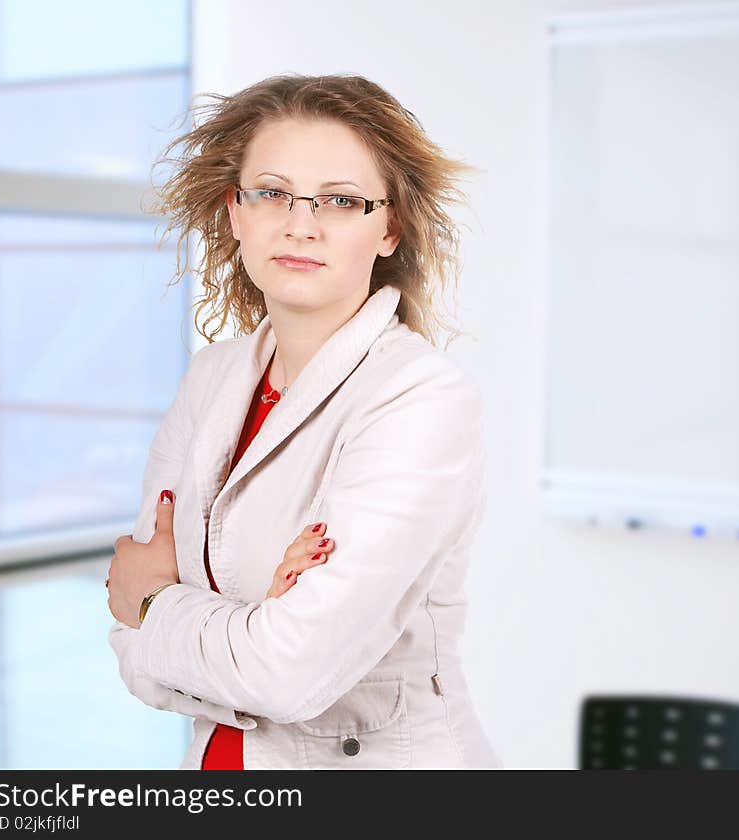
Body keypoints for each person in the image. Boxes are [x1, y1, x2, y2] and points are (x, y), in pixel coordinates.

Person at [105, 73, 501, 770]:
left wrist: (159, 602)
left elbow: (287, 672)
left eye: (342, 201)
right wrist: (248, 623)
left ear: (391, 229)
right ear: (235, 212)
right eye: (271, 192)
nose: (300, 224)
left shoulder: (420, 398)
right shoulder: (212, 380)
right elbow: (129, 647)